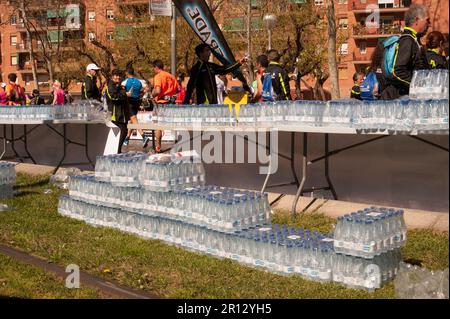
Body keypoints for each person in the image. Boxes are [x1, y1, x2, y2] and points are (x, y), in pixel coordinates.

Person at [380, 4, 430, 100]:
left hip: (403, 96)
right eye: (427, 21)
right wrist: (418, 84)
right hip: (399, 98)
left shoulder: (413, 40)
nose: (429, 24)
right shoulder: (407, 40)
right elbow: (398, 70)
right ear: (416, 20)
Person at [152, 59, 180, 153]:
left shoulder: (158, 76)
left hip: (160, 104)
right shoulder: (171, 76)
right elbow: (178, 89)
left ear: (156, 67)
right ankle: (178, 145)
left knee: (158, 126)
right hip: (171, 104)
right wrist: (170, 94)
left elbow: (158, 90)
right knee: (172, 124)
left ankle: (158, 147)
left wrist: (152, 94)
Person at [122, 67, 148, 148]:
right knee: (132, 120)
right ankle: (127, 138)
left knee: (133, 120)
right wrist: (141, 94)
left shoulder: (125, 81)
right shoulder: (139, 81)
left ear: (127, 73)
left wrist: (126, 93)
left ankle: (144, 136)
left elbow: (122, 91)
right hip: (137, 102)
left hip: (129, 102)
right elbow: (147, 88)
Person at [106, 69, 130, 154]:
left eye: (119, 76)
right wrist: (124, 94)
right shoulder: (110, 86)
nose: (118, 77)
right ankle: (115, 151)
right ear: (112, 77)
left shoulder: (120, 86)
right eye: (116, 75)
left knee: (124, 132)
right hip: (115, 115)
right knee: (117, 134)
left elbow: (124, 98)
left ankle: (118, 151)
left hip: (122, 115)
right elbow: (113, 97)